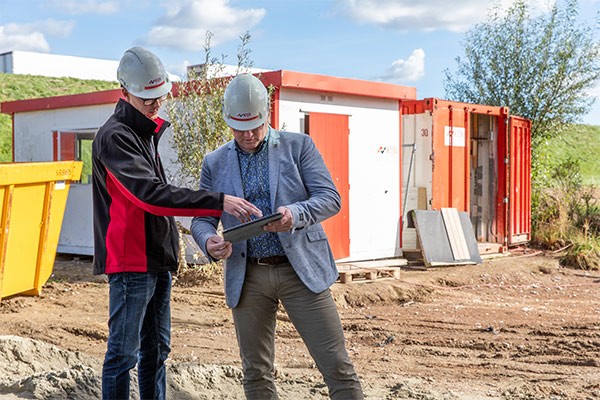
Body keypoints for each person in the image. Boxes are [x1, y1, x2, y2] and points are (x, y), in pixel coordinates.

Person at [92, 47, 261, 400]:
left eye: (159, 96)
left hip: (156, 260)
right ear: (124, 92)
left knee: (157, 351)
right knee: (122, 356)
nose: (156, 104)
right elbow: (150, 196)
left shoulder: (142, 132)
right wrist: (217, 200)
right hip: (131, 262)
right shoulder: (116, 137)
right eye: (147, 98)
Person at [191, 73, 364, 400]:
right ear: (228, 120)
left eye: (254, 127)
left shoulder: (299, 147)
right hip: (248, 275)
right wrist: (208, 242)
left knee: (336, 365)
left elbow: (330, 198)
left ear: (266, 115)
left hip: (300, 270)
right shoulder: (214, 163)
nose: (248, 135)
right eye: (239, 129)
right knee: (256, 371)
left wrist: (295, 215)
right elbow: (202, 218)